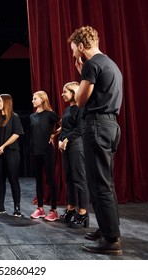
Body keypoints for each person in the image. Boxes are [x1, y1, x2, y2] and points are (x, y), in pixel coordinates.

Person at [68, 26, 123, 255]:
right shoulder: (110, 63)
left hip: (98, 125)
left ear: (81, 46)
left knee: (99, 184)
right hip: (111, 126)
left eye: (73, 50)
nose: (73, 55)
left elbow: (80, 100)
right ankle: (107, 228)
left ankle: (111, 240)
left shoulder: (91, 65)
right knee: (104, 182)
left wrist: (81, 73)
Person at [58, 82, 89, 228]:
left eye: (65, 92)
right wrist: (59, 140)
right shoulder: (66, 110)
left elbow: (80, 129)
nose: (62, 94)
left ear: (73, 93)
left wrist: (66, 139)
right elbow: (63, 129)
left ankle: (83, 212)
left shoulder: (80, 109)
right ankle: (71, 208)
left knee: (79, 179)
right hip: (66, 146)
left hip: (76, 146)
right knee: (69, 178)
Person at [29, 91, 61, 222]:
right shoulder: (32, 116)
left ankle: (53, 210)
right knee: (38, 180)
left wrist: (53, 135)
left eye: (35, 98)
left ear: (42, 100)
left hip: (47, 151)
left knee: (51, 179)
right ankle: (40, 208)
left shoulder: (50, 114)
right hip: (35, 150)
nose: (33, 101)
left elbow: (63, 125)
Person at [0, 94, 24, 217]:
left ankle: (17, 207)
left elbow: (16, 134)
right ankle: (1, 206)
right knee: (0, 180)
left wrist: (3, 146)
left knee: (13, 179)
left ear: (6, 102)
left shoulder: (14, 117)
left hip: (11, 152)